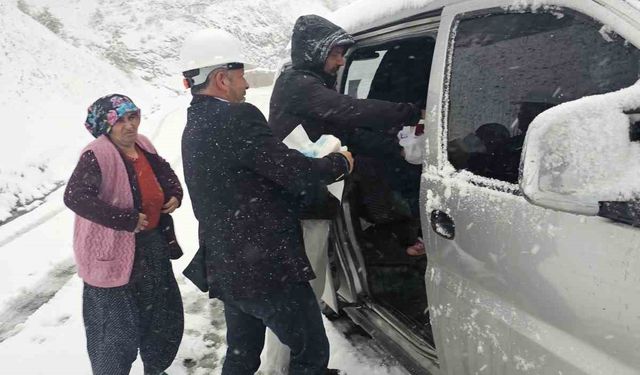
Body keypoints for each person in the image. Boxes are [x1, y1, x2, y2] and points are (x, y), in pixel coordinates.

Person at [179, 28, 354, 375]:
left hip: (229, 262)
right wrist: (339, 163)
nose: (246, 85)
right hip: (265, 267)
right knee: (311, 350)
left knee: (243, 352)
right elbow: (292, 172)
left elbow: (252, 171)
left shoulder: (194, 122)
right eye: (241, 77)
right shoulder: (237, 117)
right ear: (221, 79)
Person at [264, 15, 425, 374]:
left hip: (312, 200)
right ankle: (280, 370)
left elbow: (345, 128)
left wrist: (397, 151)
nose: (340, 63)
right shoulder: (297, 83)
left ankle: (297, 366)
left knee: (309, 288)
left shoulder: (311, 88)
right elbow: (348, 110)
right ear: (315, 51)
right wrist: (410, 111)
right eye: (336, 54)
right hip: (297, 206)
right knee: (299, 295)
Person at [64, 94, 184, 375]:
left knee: (161, 317)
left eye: (133, 118)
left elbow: (165, 173)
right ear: (105, 127)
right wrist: (126, 219)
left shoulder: (143, 145)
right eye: (120, 121)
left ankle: (155, 368)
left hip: (151, 247)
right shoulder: (97, 154)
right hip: (111, 256)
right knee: (114, 330)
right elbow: (76, 197)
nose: (130, 126)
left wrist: (175, 194)